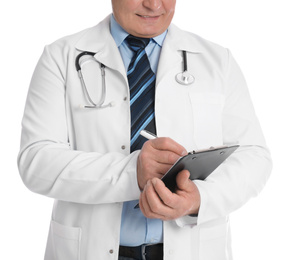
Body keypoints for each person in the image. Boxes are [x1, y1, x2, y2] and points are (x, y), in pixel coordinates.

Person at [17, 0, 272, 259]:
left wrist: (199, 199)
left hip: (192, 248)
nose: (153, 5)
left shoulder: (218, 61)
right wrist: (132, 172)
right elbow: (35, 162)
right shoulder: (61, 57)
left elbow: (254, 157)